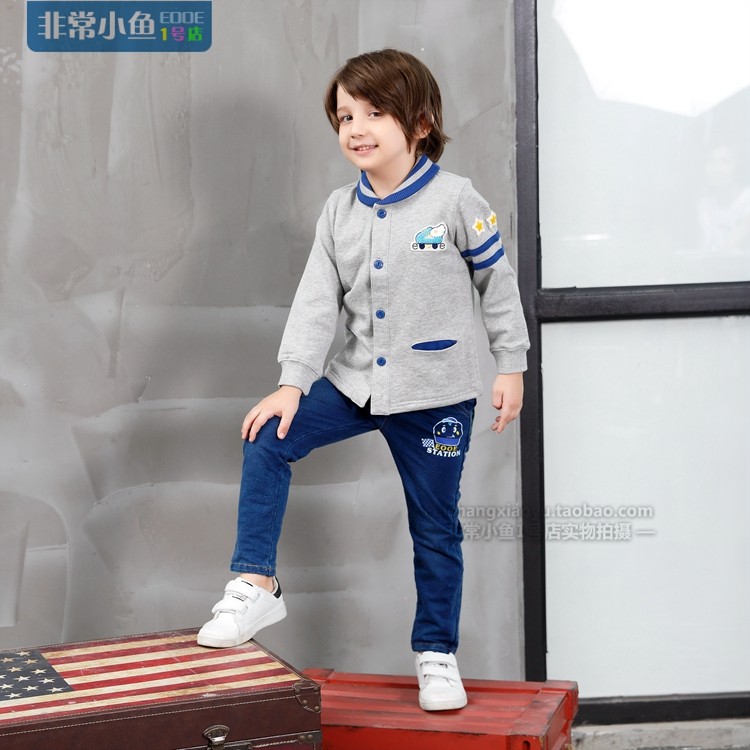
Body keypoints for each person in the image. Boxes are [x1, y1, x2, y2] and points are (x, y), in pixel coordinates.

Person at [197, 48, 530, 712]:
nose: (356, 128)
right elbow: (315, 303)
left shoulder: (456, 199)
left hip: (436, 395)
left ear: (421, 123)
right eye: (346, 115)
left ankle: (436, 654)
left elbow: (497, 285)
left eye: (375, 113)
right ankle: (256, 585)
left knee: (436, 525)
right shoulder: (338, 211)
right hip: (355, 384)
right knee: (267, 437)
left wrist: (511, 365)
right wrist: (293, 383)